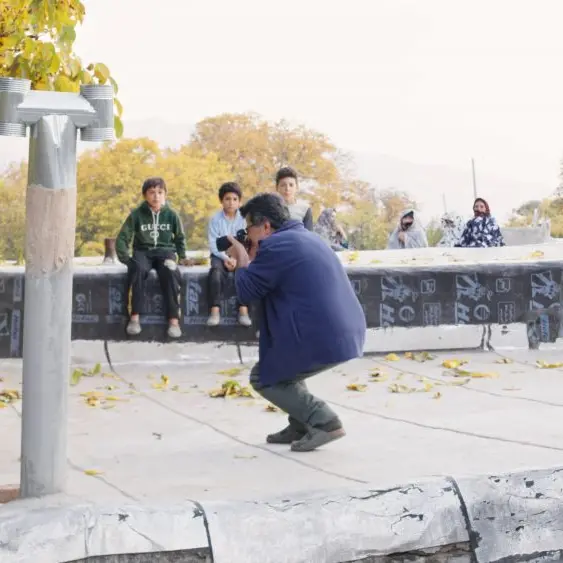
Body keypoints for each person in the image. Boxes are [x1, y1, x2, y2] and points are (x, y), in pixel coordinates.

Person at [226, 193, 366, 452]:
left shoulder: (276, 246)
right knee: (283, 368)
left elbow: (246, 292)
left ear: (265, 226)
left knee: (263, 377)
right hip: (344, 331)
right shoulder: (306, 237)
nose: (249, 236)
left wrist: (242, 256)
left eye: (249, 230)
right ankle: (301, 422)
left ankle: (324, 421)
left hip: (323, 336)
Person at [116, 177, 190, 338]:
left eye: (160, 192)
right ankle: (134, 317)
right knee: (137, 271)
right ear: (145, 195)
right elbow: (123, 237)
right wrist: (126, 259)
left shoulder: (171, 214)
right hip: (143, 252)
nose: (156, 196)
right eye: (151, 192)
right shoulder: (137, 214)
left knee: (171, 271)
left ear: (165, 195)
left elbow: (179, 237)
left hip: (165, 252)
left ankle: (174, 321)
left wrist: (182, 256)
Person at [206, 182, 252, 327]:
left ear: (239, 202)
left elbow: (246, 242)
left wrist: (235, 258)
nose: (231, 202)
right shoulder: (215, 220)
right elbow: (213, 245)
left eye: (234, 199)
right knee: (215, 272)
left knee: (244, 271)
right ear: (221, 201)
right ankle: (215, 310)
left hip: (239, 254)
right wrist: (226, 258)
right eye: (227, 199)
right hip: (220, 255)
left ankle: (243, 309)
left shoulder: (244, 220)